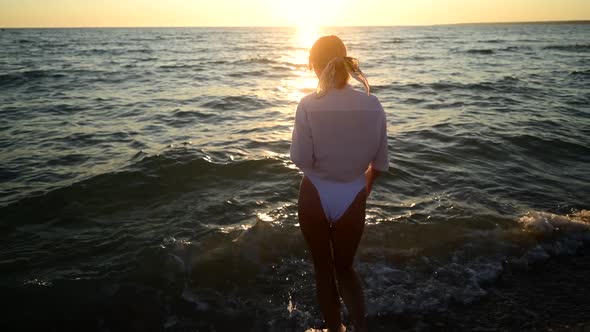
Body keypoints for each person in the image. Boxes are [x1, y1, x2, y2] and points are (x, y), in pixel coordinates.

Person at [290, 35, 389, 332]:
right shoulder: (373, 105)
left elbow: (300, 159)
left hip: (315, 194)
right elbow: (380, 164)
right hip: (353, 195)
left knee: (323, 269)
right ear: (346, 64)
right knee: (345, 268)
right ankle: (360, 327)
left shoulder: (308, 105)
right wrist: (364, 187)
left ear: (315, 66)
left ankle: (335, 329)